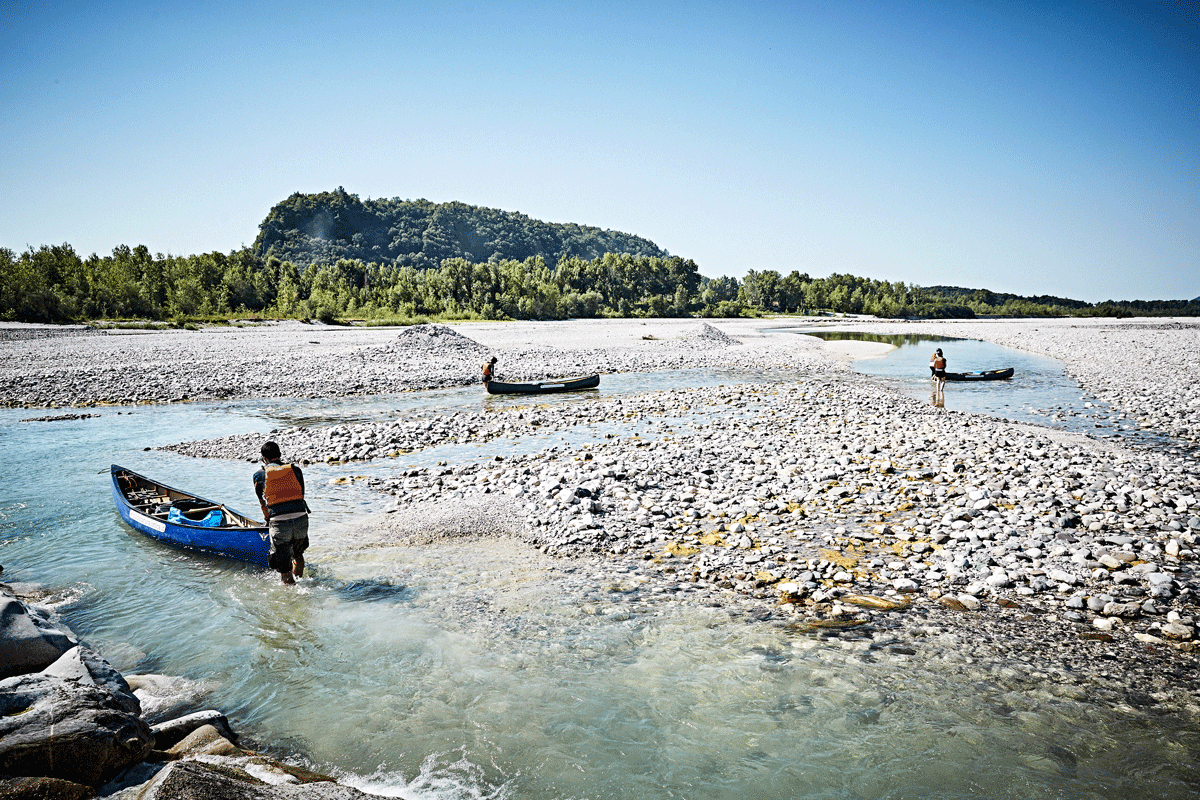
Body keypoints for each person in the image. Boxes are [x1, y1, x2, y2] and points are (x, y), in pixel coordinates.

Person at [253, 440, 310, 585]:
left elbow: (263, 503)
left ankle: (292, 595)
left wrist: (267, 519)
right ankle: (300, 582)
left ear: (264, 459)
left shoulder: (259, 475)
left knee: (283, 568)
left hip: (279, 524)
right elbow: (301, 495)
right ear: (279, 455)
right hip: (301, 520)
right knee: (298, 555)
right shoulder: (296, 470)